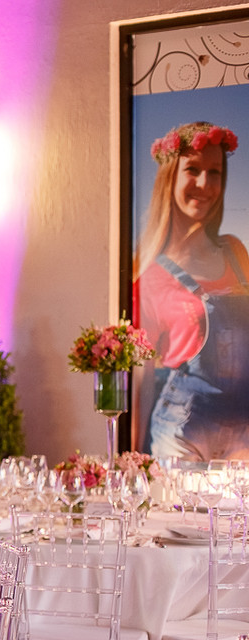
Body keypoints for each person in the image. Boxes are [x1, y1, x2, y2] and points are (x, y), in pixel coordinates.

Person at [134, 120, 249, 461]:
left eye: (214, 172)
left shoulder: (237, 253)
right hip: (182, 437)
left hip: (243, 433)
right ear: (170, 176)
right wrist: (132, 459)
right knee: (182, 516)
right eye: (193, 170)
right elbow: (142, 377)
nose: (204, 183)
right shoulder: (149, 276)